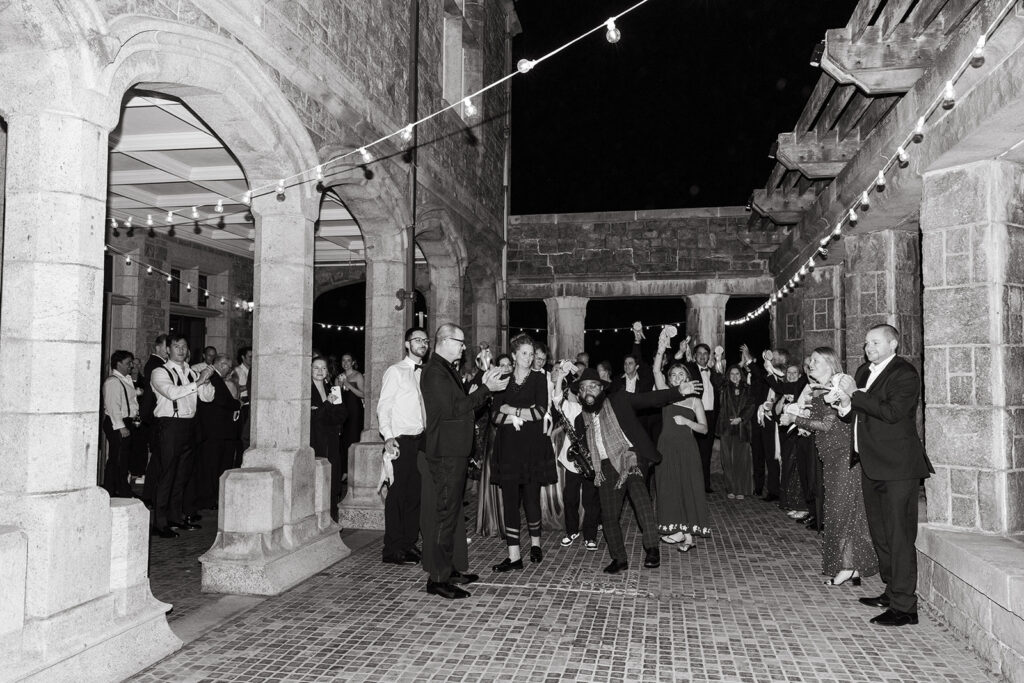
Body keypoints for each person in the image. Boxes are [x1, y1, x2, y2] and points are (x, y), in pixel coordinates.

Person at [836, 324, 933, 627]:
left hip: (898, 467)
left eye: (875, 343)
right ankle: (892, 593)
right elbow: (859, 412)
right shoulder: (864, 372)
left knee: (899, 537)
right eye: (866, 343)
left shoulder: (904, 373)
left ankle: (906, 608)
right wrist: (844, 403)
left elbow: (892, 412)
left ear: (893, 343)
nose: (869, 348)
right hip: (871, 463)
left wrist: (855, 394)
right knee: (881, 535)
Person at [572, 367, 699, 574]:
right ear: (580, 393)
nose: (589, 390)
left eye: (593, 386)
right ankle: (619, 559)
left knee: (640, 495)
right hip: (605, 466)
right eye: (584, 387)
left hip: (630, 455)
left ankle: (652, 549)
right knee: (609, 516)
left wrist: (677, 391)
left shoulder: (618, 400)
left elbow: (648, 399)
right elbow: (586, 449)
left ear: (601, 388)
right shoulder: (580, 421)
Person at [420, 323, 508, 599]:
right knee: (445, 515)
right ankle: (437, 579)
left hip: (454, 450)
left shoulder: (446, 369)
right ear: (445, 341)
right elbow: (454, 409)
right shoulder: (434, 372)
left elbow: (464, 395)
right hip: (445, 452)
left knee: (453, 512)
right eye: (460, 342)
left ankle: (450, 568)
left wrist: (484, 377)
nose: (463, 347)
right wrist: (487, 388)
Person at [781, 347, 878, 588]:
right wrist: (802, 421)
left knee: (843, 511)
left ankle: (848, 566)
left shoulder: (838, 384)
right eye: (810, 361)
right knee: (838, 511)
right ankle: (849, 566)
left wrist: (795, 419)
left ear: (830, 363)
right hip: (831, 457)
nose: (810, 365)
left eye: (816, 361)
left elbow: (826, 424)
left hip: (845, 457)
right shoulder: (819, 389)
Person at [490, 334, 556, 572]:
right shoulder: (502, 379)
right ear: (515, 355)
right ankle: (514, 556)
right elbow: (495, 416)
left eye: (531, 353)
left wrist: (511, 410)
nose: (529, 358)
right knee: (509, 501)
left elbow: (539, 412)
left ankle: (536, 545)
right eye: (525, 353)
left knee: (530, 497)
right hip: (508, 448)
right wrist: (519, 413)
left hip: (532, 447)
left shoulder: (539, 379)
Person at [150, 334, 215, 538]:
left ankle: (175, 517)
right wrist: (199, 381)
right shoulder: (159, 371)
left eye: (184, 346)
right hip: (170, 424)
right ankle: (159, 523)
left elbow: (207, 397)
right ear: (168, 349)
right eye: (176, 346)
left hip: (189, 425)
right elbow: (172, 392)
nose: (181, 350)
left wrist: (205, 381)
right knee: (167, 473)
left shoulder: (191, 372)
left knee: (182, 474)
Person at [377, 328, 428, 566]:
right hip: (400, 440)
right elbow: (383, 406)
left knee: (414, 496)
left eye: (425, 340)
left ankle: (408, 543)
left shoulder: (424, 373)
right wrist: (387, 437)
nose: (423, 343)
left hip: (420, 441)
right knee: (397, 496)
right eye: (418, 340)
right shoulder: (395, 371)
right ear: (407, 344)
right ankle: (392, 548)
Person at [652, 341, 711, 551]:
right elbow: (656, 371)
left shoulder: (695, 400)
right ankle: (676, 531)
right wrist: (661, 349)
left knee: (687, 487)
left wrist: (688, 422)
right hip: (666, 448)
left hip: (687, 449)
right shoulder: (666, 395)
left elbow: (704, 429)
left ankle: (688, 538)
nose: (677, 378)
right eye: (673, 376)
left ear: (687, 377)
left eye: (680, 375)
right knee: (668, 488)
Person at [551, 363, 600, 551]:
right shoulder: (572, 408)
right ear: (579, 393)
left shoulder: (601, 411)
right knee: (570, 498)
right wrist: (561, 379)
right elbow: (556, 400)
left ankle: (590, 536)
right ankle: (571, 531)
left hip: (592, 463)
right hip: (573, 462)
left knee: (591, 501)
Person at [195, 353, 242, 511]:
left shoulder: (215, 377)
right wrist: (237, 404)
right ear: (221, 364)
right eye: (228, 367)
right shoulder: (213, 377)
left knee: (213, 465)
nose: (228, 371)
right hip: (213, 431)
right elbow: (222, 401)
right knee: (211, 466)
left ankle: (210, 497)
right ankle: (207, 499)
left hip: (215, 431)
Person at [743, 344, 786, 501]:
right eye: (769, 357)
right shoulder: (764, 376)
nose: (769, 359)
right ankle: (758, 486)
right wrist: (748, 358)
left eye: (772, 357)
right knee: (757, 454)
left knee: (772, 457)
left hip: (772, 422)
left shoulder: (783, 376)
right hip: (758, 421)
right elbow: (756, 372)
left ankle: (774, 490)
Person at [476, 352, 511, 538]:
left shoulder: (516, 384)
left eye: (508, 365)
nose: (506, 368)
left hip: (511, 434)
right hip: (495, 433)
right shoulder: (492, 384)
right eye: (502, 365)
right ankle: (491, 522)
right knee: (492, 474)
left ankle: (508, 522)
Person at [310, 356, 347, 521]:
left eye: (323, 368)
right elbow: (314, 418)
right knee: (317, 479)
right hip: (315, 440)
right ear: (310, 370)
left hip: (332, 440)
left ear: (327, 372)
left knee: (332, 479)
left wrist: (324, 409)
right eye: (316, 367)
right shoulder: (306, 390)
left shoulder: (333, 390)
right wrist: (327, 406)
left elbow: (342, 415)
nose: (319, 371)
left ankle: (331, 518)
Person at [685, 343, 725, 493]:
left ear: (709, 356)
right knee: (692, 452)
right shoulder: (691, 369)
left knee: (706, 453)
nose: (702, 356)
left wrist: (719, 361)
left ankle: (705, 485)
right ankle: (691, 484)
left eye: (705, 354)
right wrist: (682, 352)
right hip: (694, 415)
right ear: (695, 356)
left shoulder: (713, 372)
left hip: (710, 416)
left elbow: (720, 381)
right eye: (699, 353)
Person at [101, 350, 140, 498]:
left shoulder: (125, 379)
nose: (131, 366)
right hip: (117, 423)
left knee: (122, 458)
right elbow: (113, 406)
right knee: (117, 458)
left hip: (125, 422)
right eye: (128, 363)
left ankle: (118, 488)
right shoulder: (113, 381)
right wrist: (121, 426)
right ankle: (115, 489)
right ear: (118, 364)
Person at [138, 334, 169, 502]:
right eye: (167, 347)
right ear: (157, 347)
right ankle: (150, 496)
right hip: (156, 417)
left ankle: (153, 495)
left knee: (159, 459)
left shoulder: (160, 364)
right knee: (157, 460)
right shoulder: (155, 365)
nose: (169, 350)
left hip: (156, 417)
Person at [717, 365, 755, 499]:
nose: (734, 376)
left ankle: (741, 489)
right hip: (726, 427)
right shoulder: (724, 388)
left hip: (742, 428)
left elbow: (751, 406)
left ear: (741, 375)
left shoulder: (748, 389)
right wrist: (718, 361)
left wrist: (740, 418)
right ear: (728, 375)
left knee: (742, 460)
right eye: (732, 374)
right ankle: (731, 488)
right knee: (727, 461)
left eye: (737, 374)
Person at [336, 353, 365, 483]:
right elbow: (336, 398)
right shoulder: (338, 378)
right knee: (342, 442)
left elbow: (363, 394)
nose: (346, 363)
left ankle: (354, 470)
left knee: (353, 439)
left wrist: (348, 385)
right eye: (343, 360)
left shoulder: (357, 375)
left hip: (355, 412)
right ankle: (344, 471)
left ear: (352, 362)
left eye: (348, 360)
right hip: (342, 413)